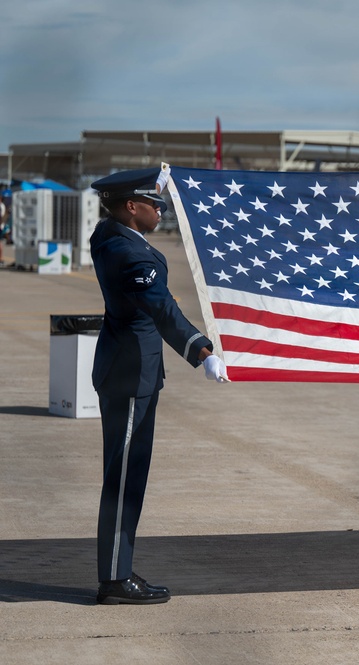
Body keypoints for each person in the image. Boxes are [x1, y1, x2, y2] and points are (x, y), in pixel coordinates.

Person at [89, 165, 230, 605]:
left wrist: (159, 186)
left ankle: (119, 568)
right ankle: (114, 579)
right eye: (154, 204)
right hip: (132, 376)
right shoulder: (132, 256)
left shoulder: (109, 235)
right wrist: (202, 352)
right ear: (132, 207)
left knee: (126, 476)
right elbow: (163, 311)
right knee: (124, 480)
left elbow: (156, 300)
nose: (161, 210)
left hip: (125, 369)